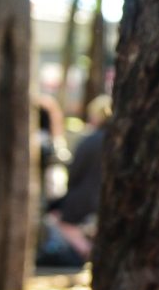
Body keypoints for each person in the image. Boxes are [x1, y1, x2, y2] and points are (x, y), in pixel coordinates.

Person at [36, 94, 111, 267]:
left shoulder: (91, 140)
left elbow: (75, 171)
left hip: (84, 195)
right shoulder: (116, 139)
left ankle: (87, 251)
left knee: (64, 222)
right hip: (99, 193)